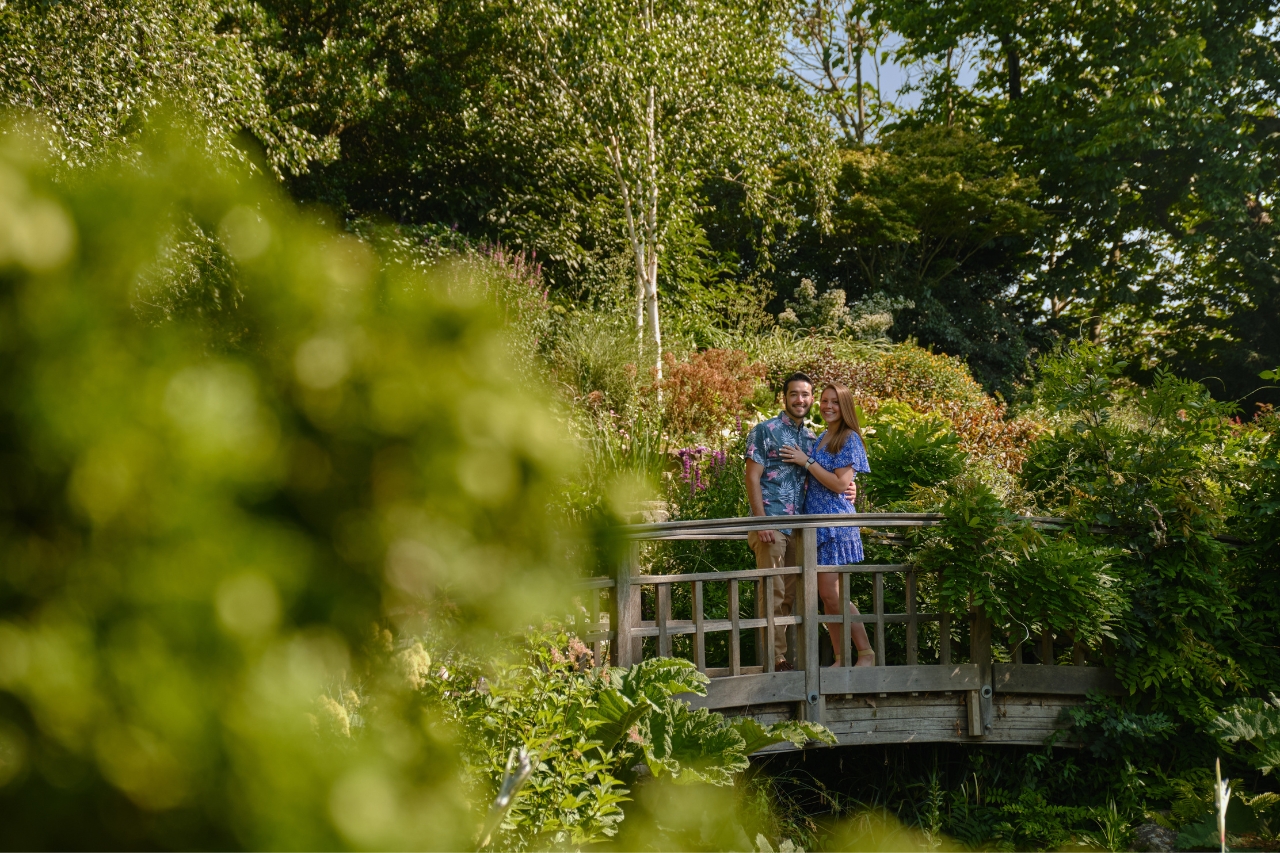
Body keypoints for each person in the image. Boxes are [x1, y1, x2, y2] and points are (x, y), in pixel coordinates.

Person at [744, 372, 856, 671]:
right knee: (773, 591)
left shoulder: (812, 439)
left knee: (791, 595)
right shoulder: (764, 431)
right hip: (771, 524)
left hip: (801, 529)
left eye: (806, 395)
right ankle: (776, 660)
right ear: (784, 397)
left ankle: (786, 658)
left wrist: (850, 488)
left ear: (810, 399)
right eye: (794, 394)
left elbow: (830, 476)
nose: (800, 400)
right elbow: (752, 478)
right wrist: (761, 522)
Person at [779, 381, 875, 667]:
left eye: (834, 401)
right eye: (824, 401)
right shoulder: (821, 436)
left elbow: (839, 483)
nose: (828, 406)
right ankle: (840, 658)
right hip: (817, 526)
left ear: (844, 406)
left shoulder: (849, 438)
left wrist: (806, 462)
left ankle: (865, 654)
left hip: (836, 525)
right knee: (827, 597)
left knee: (833, 594)